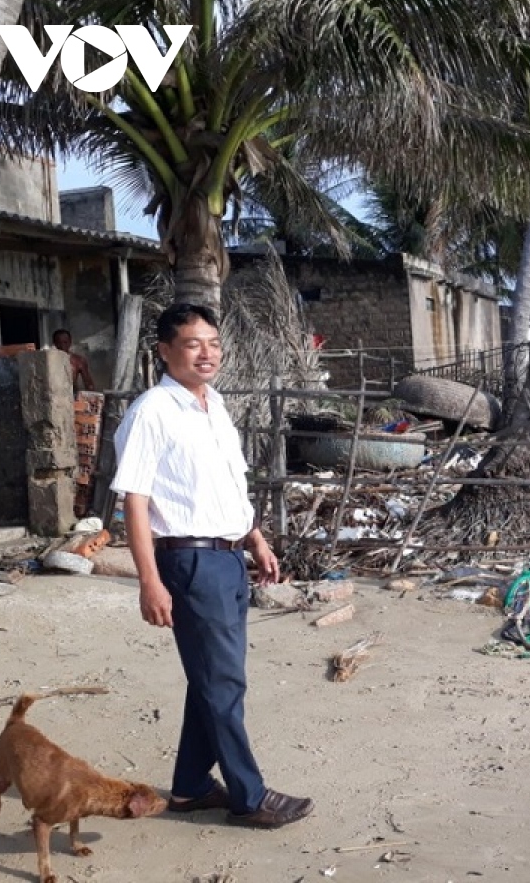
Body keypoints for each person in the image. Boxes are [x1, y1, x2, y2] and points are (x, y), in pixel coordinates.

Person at [110, 303, 312, 829]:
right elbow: (134, 499)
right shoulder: (152, 410)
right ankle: (249, 796)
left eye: (214, 343)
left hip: (227, 557)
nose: (207, 353)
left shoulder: (214, 406)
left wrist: (255, 540)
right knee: (222, 683)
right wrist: (148, 580)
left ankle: (190, 788)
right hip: (189, 561)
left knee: (213, 678)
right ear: (164, 351)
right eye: (193, 343)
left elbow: (227, 486)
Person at [52, 329, 95, 393]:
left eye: (65, 342)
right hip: (54, 396)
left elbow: (89, 384)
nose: (62, 346)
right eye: (59, 343)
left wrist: (91, 399)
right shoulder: (49, 361)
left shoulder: (78, 360)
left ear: (70, 342)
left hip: (72, 396)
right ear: (54, 343)